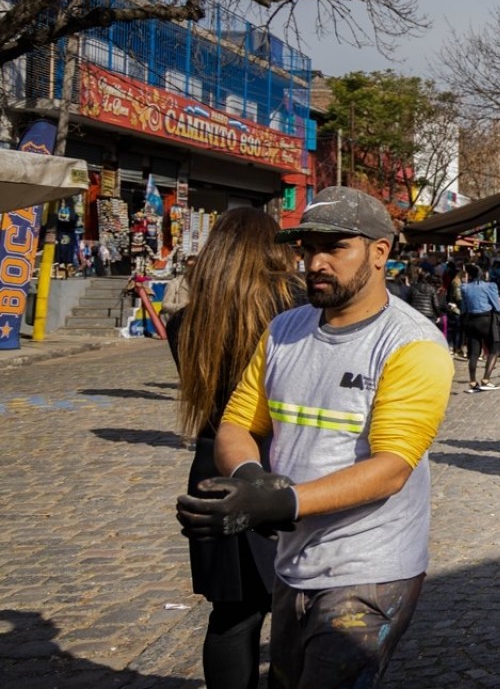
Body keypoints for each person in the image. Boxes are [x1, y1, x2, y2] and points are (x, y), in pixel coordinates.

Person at [176, 186, 453, 689]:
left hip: (370, 569)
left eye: (334, 248)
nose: (316, 263)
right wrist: (252, 480)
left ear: (379, 252)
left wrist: (283, 503)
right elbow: (238, 423)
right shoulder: (284, 329)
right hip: (294, 564)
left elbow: (391, 468)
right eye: (308, 249)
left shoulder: (412, 344)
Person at [171, 209, 301, 689]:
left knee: (232, 617)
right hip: (279, 462)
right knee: (298, 608)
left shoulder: (185, 323)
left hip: (213, 472)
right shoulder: (293, 310)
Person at [460, 263, 500, 392]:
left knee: (474, 352)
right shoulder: (489, 286)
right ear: (483, 274)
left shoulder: (465, 287)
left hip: (471, 320)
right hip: (486, 320)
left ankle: (472, 381)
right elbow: (497, 306)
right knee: (494, 349)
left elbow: (464, 308)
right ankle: (486, 379)